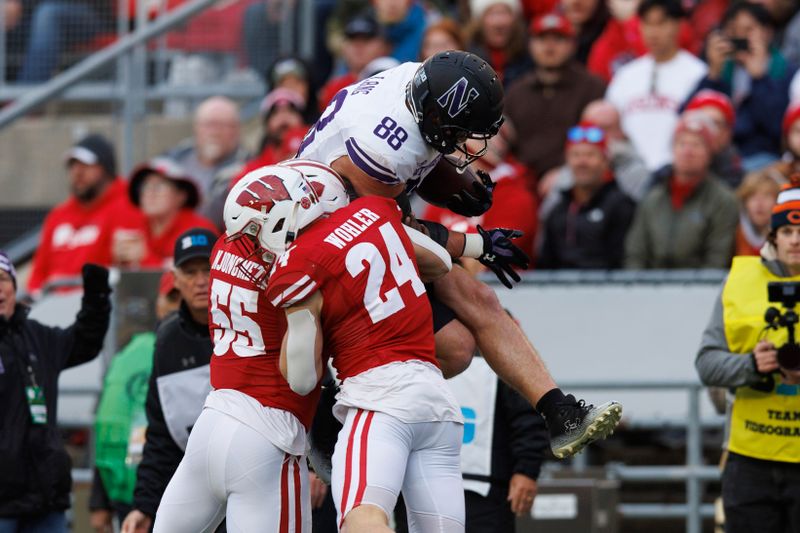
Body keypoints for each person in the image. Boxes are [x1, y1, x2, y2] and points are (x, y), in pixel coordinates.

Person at [297, 50, 622, 459]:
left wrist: (455, 184)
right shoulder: (379, 148)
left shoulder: (420, 83)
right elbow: (391, 234)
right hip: (326, 239)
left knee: (479, 302)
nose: (465, 145)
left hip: (364, 213)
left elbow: (423, 155)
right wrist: (476, 244)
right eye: (458, 133)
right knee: (454, 346)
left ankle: (560, 413)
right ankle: (337, 405)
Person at [263, 167, 462, 532]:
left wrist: (319, 308)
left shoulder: (300, 261)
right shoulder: (373, 210)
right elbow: (440, 262)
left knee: (363, 518)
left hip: (380, 399)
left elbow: (303, 379)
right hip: (437, 405)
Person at [151, 163, 347, 533]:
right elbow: (304, 379)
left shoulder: (223, 246)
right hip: (268, 436)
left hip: (211, 425)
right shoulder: (292, 267)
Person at [695, 182, 800, 533]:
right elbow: (706, 364)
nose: (795, 240)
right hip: (751, 457)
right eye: (787, 231)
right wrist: (751, 366)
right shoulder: (739, 281)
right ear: (773, 236)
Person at [0, 255, 111, 532]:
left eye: (2, 279)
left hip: (45, 500)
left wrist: (97, 294)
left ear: (15, 287)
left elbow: (85, 341)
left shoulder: (37, 336)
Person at [121, 228, 217, 533]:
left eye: (208, 269)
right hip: (195, 482)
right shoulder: (167, 342)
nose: (201, 280)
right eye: (190, 272)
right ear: (175, 279)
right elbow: (161, 435)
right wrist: (144, 505)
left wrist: (311, 466)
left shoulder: (253, 321)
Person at [89, 271, 180, 532]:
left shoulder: (215, 349)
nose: (179, 305)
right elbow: (110, 420)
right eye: (172, 298)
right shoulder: (132, 354)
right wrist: (100, 501)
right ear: (159, 305)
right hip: (136, 494)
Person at [448, 333, 549, 533]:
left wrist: (526, 470)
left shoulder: (502, 357)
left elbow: (528, 418)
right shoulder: (408, 355)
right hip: (418, 488)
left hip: (486, 493)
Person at [28, 134, 146, 296]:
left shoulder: (128, 207)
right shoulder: (58, 215)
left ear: (107, 168)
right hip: (50, 307)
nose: (77, 172)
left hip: (100, 307)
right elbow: (38, 273)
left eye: (86, 165)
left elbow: (132, 269)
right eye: (73, 165)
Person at [624, 113, 739, 268]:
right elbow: (635, 253)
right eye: (681, 144)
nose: (688, 151)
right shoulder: (653, 198)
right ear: (672, 150)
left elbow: (718, 258)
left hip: (701, 287)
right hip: (650, 287)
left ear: (709, 153)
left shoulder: (723, 200)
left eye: (697, 145)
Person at [693, 1, 797, 172]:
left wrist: (760, 79)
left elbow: (779, 129)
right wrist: (713, 75)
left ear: (768, 32)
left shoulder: (786, 71)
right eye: (733, 31)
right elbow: (691, 117)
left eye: (748, 30)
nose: (740, 38)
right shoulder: (719, 69)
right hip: (717, 157)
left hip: (765, 157)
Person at [505, 12, 606, 184]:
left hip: (576, 181)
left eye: (558, 39)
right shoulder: (516, 91)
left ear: (572, 45)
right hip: (523, 182)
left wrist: (565, 174)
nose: (549, 47)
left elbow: (600, 145)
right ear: (530, 45)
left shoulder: (593, 87)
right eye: (542, 39)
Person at [606, 0, 707, 172]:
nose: (653, 32)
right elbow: (608, 125)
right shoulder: (626, 74)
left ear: (678, 25)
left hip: (678, 173)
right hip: (629, 173)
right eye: (647, 23)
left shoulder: (697, 73)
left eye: (661, 23)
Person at [538, 122, 636, 269]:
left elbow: (625, 261)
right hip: (559, 289)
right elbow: (545, 263)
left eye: (590, 155)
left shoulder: (622, 206)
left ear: (605, 161)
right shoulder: (558, 208)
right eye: (576, 155)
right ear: (568, 161)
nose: (582, 162)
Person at [164, 96, 250, 225]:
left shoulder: (248, 170)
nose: (214, 132)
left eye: (223, 126)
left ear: (237, 130)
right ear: (196, 128)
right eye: (209, 125)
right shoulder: (173, 159)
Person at [125, 157, 219, 267]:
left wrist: (145, 258)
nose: (150, 193)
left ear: (181, 195)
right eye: (145, 186)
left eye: (158, 186)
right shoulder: (135, 226)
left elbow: (195, 279)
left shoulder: (199, 231)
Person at [15, 0, 113, 83]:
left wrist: (22, 5)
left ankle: (24, 99)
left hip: (89, 14)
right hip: (35, 15)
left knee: (48, 14)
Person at [318, 15, 391, 113]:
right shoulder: (332, 90)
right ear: (343, 47)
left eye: (366, 39)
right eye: (352, 39)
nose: (359, 46)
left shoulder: (396, 79)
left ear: (382, 45)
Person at [683, 90, 744, 189]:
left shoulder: (736, 174)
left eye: (715, 123)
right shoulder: (667, 176)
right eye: (703, 121)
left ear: (727, 133)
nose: (709, 129)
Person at [466, 0, 532, 87]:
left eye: (504, 13)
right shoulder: (466, 57)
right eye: (491, 14)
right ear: (480, 21)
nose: (499, 23)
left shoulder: (530, 55)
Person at [734, 170, 781, 256]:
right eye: (752, 196)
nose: (759, 203)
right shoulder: (733, 228)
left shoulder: (785, 232)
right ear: (745, 202)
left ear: (777, 201)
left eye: (766, 196)